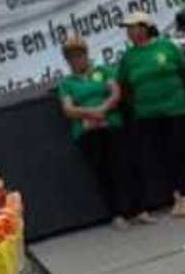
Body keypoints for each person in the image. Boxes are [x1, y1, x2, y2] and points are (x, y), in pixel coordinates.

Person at [57, 35, 150, 230]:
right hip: (87, 131)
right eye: (71, 57)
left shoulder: (103, 71)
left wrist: (103, 109)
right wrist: (91, 113)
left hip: (111, 124)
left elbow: (115, 93)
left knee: (125, 165)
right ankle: (117, 214)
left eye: (79, 55)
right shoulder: (67, 83)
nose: (76, 60)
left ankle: (140, 210)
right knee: (103, 172)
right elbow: (68, 109)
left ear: (86, 54)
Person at [116, 12, 185, 218]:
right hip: (147, 114)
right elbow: (124, 85)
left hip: (176, 108)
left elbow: (184, 70)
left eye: (134, 27)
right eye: (128, 29)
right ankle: (176, 196)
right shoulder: (128, 57)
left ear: (145, 27)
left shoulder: (167, 46)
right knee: (162, 155)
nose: (130, 32)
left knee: (180, 150)